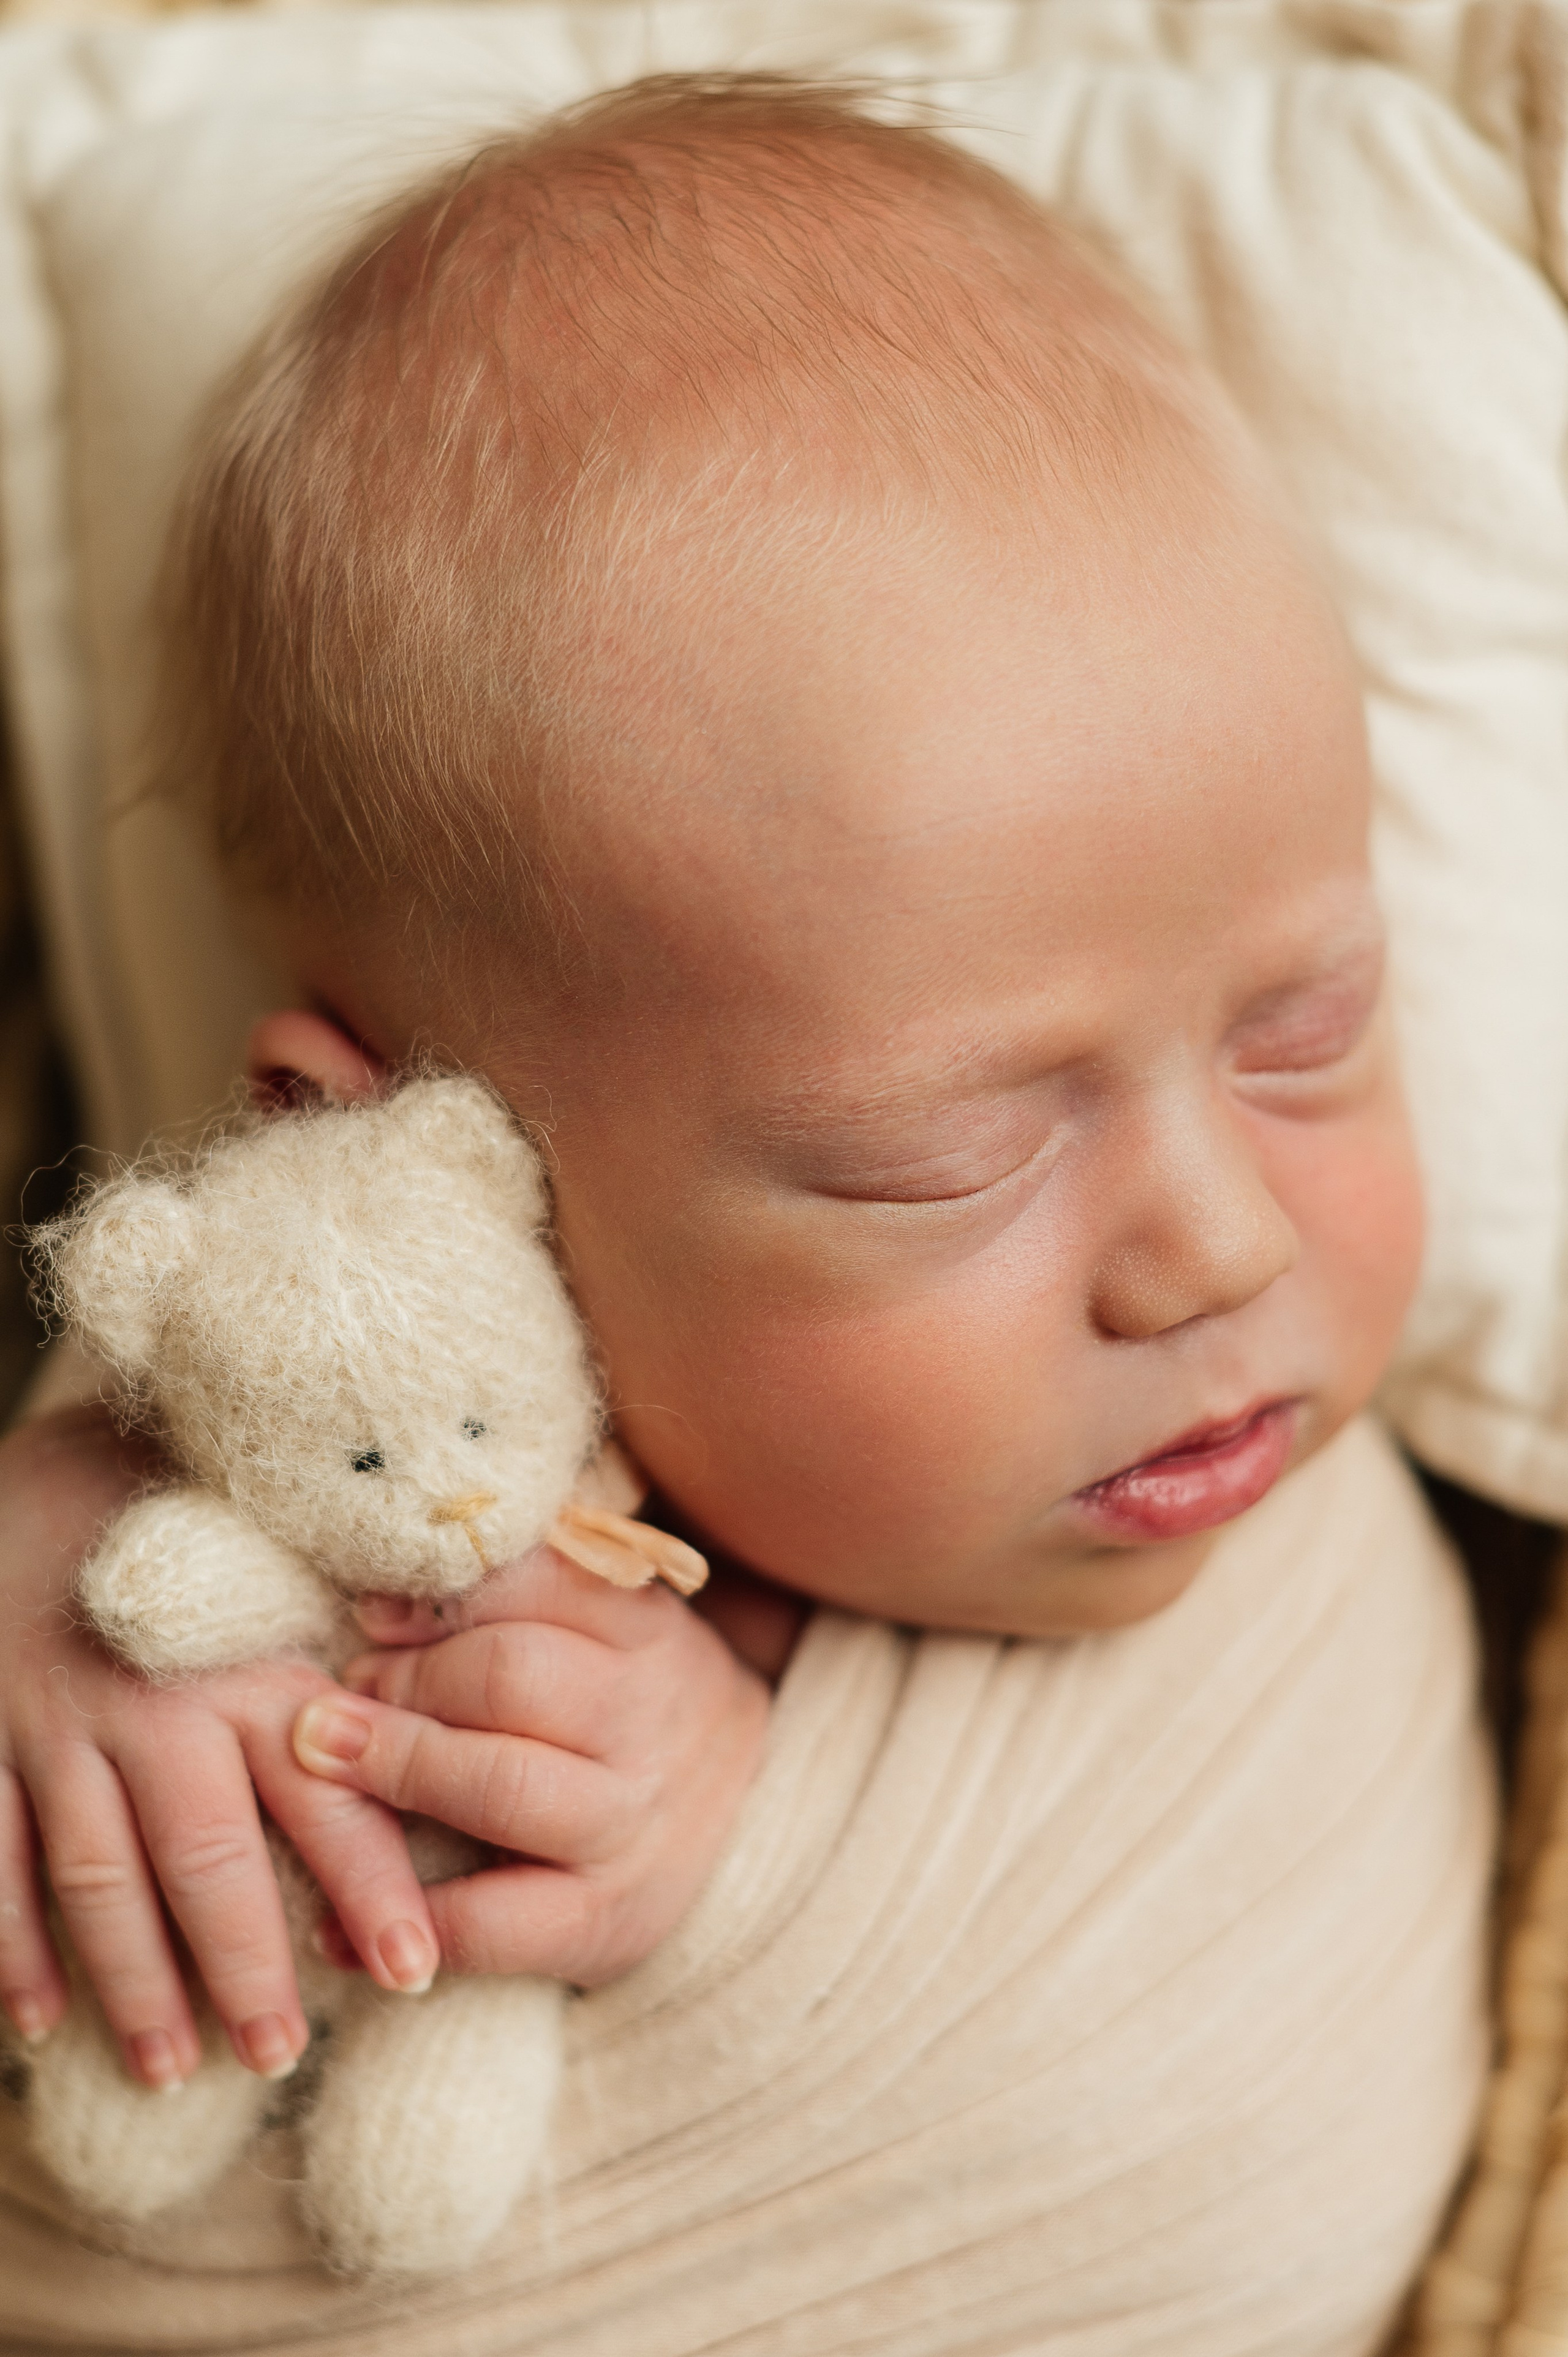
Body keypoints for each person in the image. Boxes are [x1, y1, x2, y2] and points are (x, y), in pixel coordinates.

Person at [0, 74, 1489, 2353]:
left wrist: (736, 1846)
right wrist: (67, 1596)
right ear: (407, 1152)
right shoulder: (268, 1432)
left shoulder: (1287, 1588)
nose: (1221, 1246)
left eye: (1307, 1027)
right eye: (944, 1155)